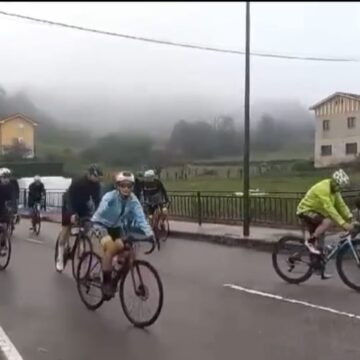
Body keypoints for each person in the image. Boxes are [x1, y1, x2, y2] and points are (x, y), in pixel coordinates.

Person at [91, 171, 155, 299]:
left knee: (128, 252)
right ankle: (107, 282)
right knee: (111, 248)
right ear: (117, 186)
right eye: (122, 185)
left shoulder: (133, 200)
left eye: (129, 186)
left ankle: (115, 271)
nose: (126, 189)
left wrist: (150, 234)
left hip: (116, 227)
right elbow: (101, 209)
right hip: (101, 225)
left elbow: (141, 219)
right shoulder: (110, 197)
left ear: (132, 187)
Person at [296, 169, 353, 277]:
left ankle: (318, 268)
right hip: (305, 210)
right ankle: (310, 241)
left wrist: (350, 217)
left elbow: (341, 205)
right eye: (340, 186)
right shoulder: (323, 188)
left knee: (321, 242)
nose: (340, 189)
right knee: (328, 221)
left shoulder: (335, 191)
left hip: (316, 212)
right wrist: (343, 224)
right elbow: (330, 208)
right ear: (335, 182)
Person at [55, 164, 103, 272]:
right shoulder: (78, 181)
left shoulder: (96, 185)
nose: (97, 180)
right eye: (96, 177)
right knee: (66, 228)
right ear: (90, 174)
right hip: (69, 203)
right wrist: (72, 213)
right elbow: (70, 198)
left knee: (86, 225)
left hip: (83, 205)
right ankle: (60, 258)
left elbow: (98, 201)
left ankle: (82, 244)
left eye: (99, 178)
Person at [0, 169, 14, 255]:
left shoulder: (10, 186)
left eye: (7, 177)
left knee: (5, 226)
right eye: (4, 177)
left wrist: (14, 209)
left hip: (3, 209)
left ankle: (2, 245)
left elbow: (13, 199)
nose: (6, 179)